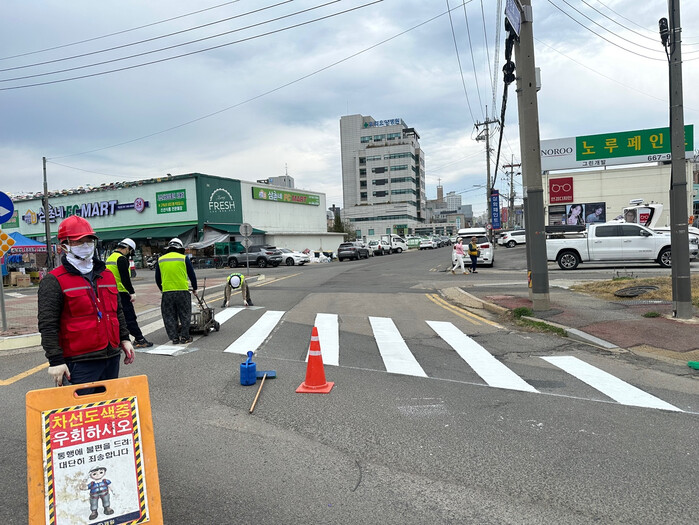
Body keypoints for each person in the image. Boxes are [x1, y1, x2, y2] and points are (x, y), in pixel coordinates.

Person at [37, 215, 134, 387]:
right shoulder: (54, 280)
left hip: (111, 356)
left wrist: (124, 339)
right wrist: (55, 360)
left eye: (89, 240)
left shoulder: (106, 275)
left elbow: (117, 311)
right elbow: (48, 324)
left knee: (108, 404)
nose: (86, 245)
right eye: (78, 241)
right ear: (64, 245)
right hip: (78, 362)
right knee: (81, 405)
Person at [106, 238, 153, 349]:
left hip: (110, 292)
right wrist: (132, 292)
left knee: (117, 318)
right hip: (122, 293)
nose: (130, 254)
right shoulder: (121, 259)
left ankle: (118, 341)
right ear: (127, 248)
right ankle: (139, 339)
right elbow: (125, 278)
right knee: (129, 317)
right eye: (131, 251)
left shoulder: (110, 258)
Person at [155, 238, 198, 344]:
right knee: (185, 314)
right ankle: (185, 337)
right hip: (182, 291)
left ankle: (174, 337)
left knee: (169, 315)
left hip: (167, 292)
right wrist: (195, 288)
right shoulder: (184, 258)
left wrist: (162, 289)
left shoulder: (161, 259)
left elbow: (157, 278)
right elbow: (192, 275)